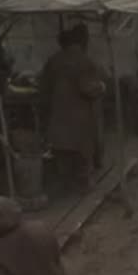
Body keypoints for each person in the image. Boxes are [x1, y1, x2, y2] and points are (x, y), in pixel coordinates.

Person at [40, 24, 106, 189]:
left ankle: (65, 182)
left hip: (58, 118)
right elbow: (88, 88)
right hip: (79, 120)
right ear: (82, 41)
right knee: (81, 154)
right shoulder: (84, 61)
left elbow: (43, 88)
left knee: (63, 153)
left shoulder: (53, 60)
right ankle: (83, 182)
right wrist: (101, 87)